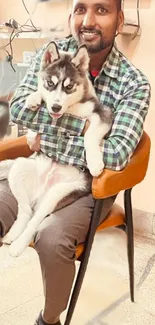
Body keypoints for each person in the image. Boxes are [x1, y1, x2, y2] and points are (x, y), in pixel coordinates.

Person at [0, 0, 151, 324]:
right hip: (40, 165)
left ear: (120, 18)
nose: (88, 20)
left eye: (101, 9)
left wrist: (51, 132)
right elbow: (23, 111)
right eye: (80, 8)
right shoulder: (51, 55)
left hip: (88, 181)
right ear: (70, 16)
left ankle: (50, 318)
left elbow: (116, 153)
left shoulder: (133, 83)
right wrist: (76, 132)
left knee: (52, 239)